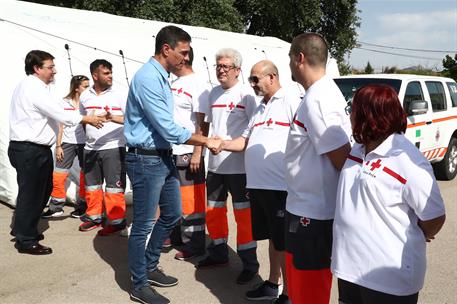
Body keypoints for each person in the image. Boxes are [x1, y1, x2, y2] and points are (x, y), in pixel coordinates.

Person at [124, 25, 220, 304]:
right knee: (142, 224)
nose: (186, 58)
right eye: (183, 52)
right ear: (166, 49)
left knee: (172, 213)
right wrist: (203, 140)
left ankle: (150, 264)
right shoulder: (148, 79)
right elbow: (167, 127)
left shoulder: (162, 77)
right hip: (146, 159)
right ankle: (138, 283)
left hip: (161, 157)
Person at [331, 84, 446, 304]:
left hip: (389, 280)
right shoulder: (358, 149)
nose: (350, 115)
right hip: (350, 270)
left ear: (368, 115)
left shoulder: (407, 161)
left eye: (353, 110)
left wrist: (418, 232)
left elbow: (434, 217)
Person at [214, 60, 299, 303]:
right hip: (259, 186)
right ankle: (273, 284)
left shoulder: (291, 100)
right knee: (273, 239)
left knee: (283, 242)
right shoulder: (261, 108)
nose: (251, 84)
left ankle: (290, 294)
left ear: (272, 77)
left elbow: (305, 140)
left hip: (280, 187)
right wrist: (222, 143)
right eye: (251, 79)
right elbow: (244, 141)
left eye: (255, 79)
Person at [8, 50, 106, 255]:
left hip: (30, 149)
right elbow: (59, 113)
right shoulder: (34, 88)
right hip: (30, 149)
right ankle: (25, 239)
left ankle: (24, 229)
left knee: (40, 191)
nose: (54, 71)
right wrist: (86, 119)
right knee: (32, 194)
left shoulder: (32, 86)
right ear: (37, 68)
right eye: (50, 67)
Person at [284, 33, 352, 303]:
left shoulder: (318, 99)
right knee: (303, 290)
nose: (289, 64)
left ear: (299, 58)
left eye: (290, 58)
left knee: (308, 293)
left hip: (312, 215)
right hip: (307, 209)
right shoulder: (321, 92)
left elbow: (342, 158)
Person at [196, 48, 260, 285]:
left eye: (226, 66)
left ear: (237, 70)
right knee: (214, 212)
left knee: (244, 218)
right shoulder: (212, 93)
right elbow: (210, 128)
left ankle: (249, 264)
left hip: (240, 169)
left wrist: (230, 145)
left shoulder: (247, 94)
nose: (221, 70)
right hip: (215, 166)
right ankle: (218, 253)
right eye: (219, 66)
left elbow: (254, 129)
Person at [169, 47, 210, 261]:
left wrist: (197, 151)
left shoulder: (198, 83)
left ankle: (194, 244)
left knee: (191, 200)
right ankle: (177, 235)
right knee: (174, 197)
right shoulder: (173, 83)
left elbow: (202, 121)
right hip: (171, 149)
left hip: (188, 150)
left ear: (184, 58)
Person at [78, 59, 127, 235]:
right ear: (95, 75)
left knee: (114, 186)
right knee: (92, 186)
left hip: (113, 147)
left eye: (111, 72)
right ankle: (94, 217)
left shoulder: (119, 94)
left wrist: (112, 117)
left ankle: (116, 221)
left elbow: (131, 120)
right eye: (106, 73)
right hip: (90, 148)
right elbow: (82, 119)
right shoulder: (85, 96)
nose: (110, 76)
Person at [41, 75, 90, 219]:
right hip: (67, 143)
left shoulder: (89, 102)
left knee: (85, 175)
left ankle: (83, 205)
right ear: (76, 88)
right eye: (85, 86)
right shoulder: (63, 103)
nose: (88, 89)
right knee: (58, 174)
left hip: (84, 143)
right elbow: (59, 125)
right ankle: (56, 207)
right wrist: (58, 146)